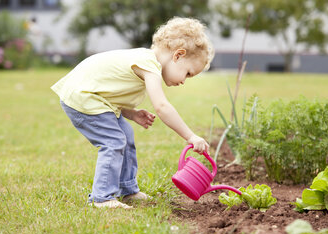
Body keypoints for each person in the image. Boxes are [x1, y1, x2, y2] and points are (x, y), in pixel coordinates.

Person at [51, 17, 214, 209]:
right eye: (188, 73)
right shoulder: (149, 65)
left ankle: (126, 189)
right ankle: (102, 198)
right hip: (82, 98)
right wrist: (190, 136)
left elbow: (108, 88)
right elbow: (162, 106)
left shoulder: (145, 60)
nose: (184, 81)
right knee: (113, 141)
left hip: (93, 97)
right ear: (178, 55)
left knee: (125, 135)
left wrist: (132, 113)